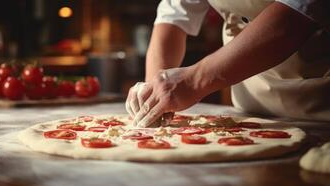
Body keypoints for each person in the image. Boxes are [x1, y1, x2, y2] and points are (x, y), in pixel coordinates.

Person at [126, 0, 330, 127]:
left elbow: (296, 15)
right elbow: (174, 16)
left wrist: (194, 80)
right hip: (249, 106)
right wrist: (156, 93)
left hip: (319, 103)